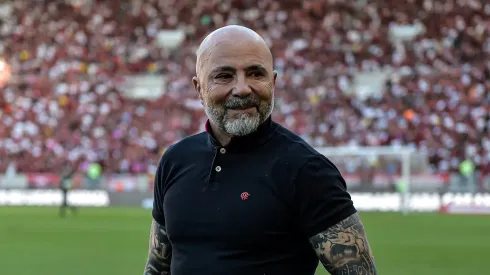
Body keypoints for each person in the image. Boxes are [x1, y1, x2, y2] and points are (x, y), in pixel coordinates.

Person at [144, 25, 377, 275]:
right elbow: (157, 268)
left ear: (273, 82)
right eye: (224, 76)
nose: (243, 88)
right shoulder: (175, 161)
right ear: (198, 89)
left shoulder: (306, 170)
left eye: (255, 74)